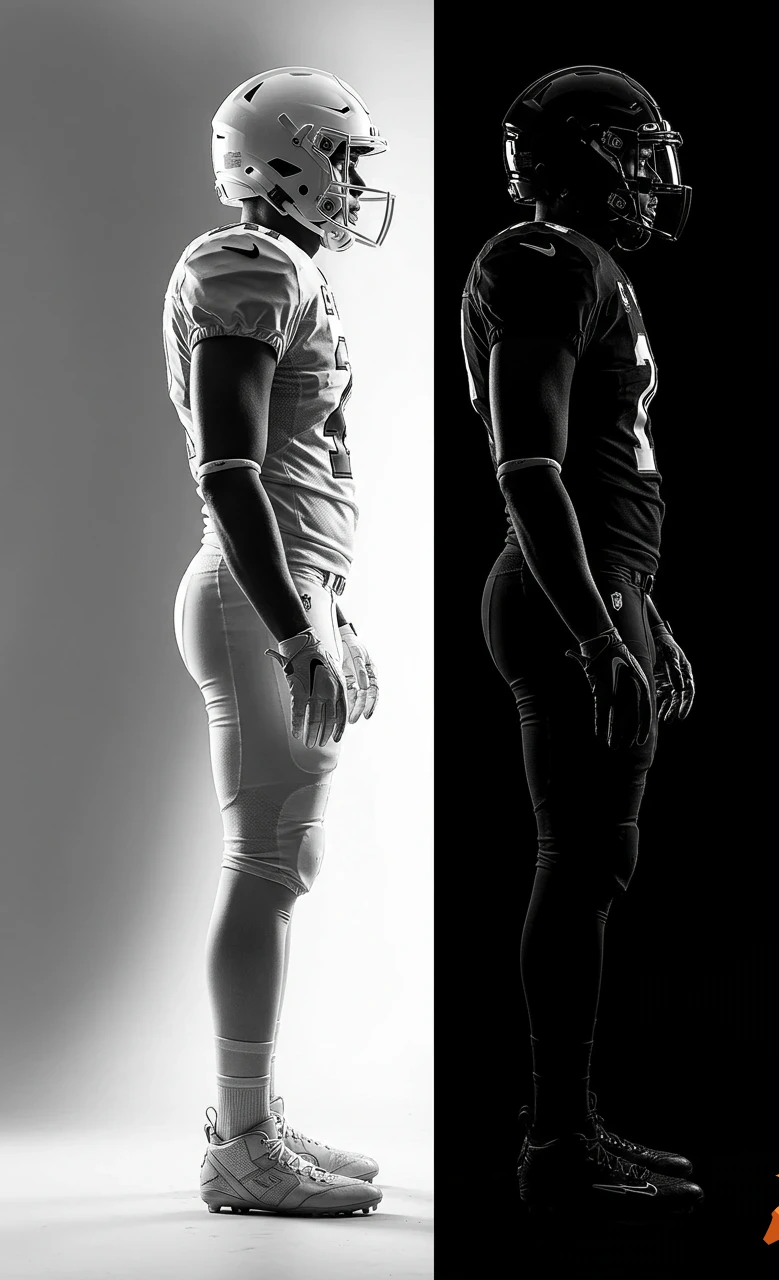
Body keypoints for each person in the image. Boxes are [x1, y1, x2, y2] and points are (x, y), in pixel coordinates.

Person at [461, 65, 703, 1216]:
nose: (654, 174)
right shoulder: (543, 258)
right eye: (637, 148)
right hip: (570, 597)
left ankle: (568, 1122)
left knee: (595, 862)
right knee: (580, 859)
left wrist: (639, 611)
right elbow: (529, 467)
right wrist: (601, 628)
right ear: (592, 154)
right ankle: (556, 1136)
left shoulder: (576, 265)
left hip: (603, 590)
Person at [163, 67, 392, 1218]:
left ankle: (250, 1118)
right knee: (265, 866)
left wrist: (329, 610)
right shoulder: (244, 263)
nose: (356, 187)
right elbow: (229, 470)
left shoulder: (283, 267)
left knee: (279, 865)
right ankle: (240, 1142)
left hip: (287, 592)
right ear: (289, 159)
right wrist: (301, 624)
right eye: (345, 161)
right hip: (261, 596)